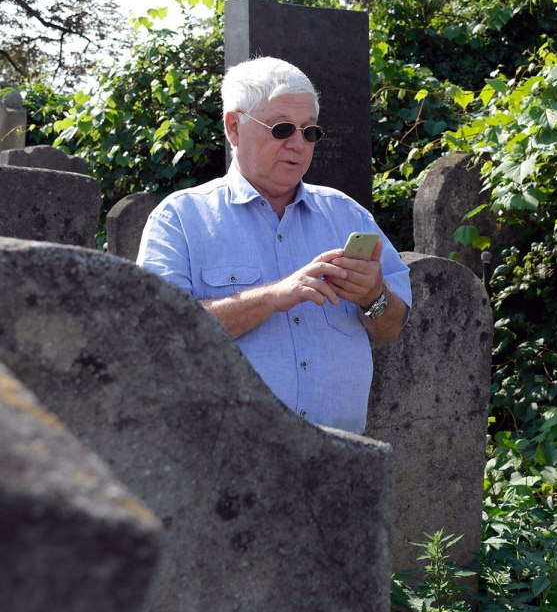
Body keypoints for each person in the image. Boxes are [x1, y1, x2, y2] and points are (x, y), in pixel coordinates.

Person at [137, 56, 411, 435]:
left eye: (309, 131)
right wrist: (273, 297)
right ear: (234, 127)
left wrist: (374, 295)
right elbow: (161, 336)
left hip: (340, 462)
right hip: (226, 463)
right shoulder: (180, 219)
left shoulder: (348, 215)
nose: (298, 144)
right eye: (282, 129)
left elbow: (390, 329)